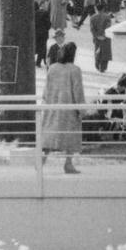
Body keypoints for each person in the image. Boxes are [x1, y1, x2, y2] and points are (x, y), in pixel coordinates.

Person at [39, 40, 84, 173]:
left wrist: (46, 101)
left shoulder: (53, 68)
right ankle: (68, 163)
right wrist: (82, 109)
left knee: (50, 135)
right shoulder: (75, 70)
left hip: (53, 106)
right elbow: (78, 91)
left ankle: (41, 162)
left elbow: (46, 89)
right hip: (69, 108)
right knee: (71, 135)